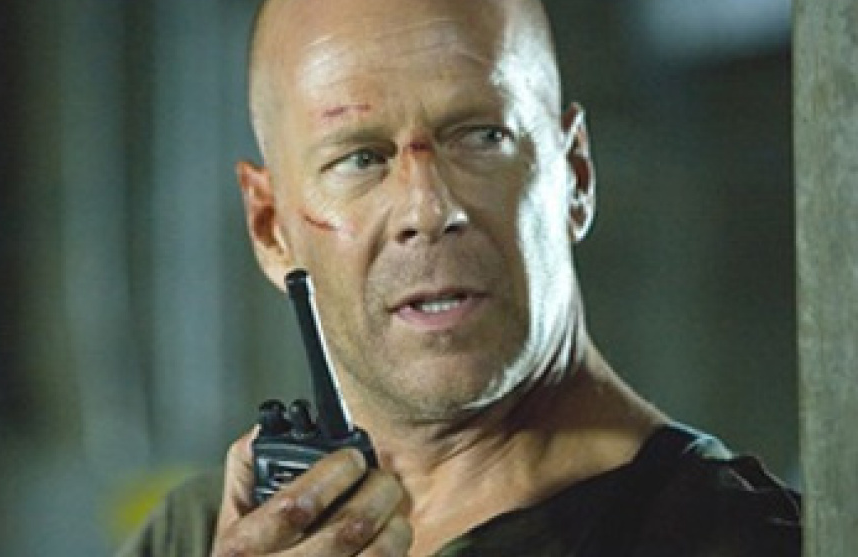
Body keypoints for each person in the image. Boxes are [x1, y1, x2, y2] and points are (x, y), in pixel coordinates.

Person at [118, 0, 801, 555]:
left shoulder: (734, 540)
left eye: (481, 136)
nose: (428, 208)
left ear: (575, 177)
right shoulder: (214, 531)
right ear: (271, 228)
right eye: (360, 158)